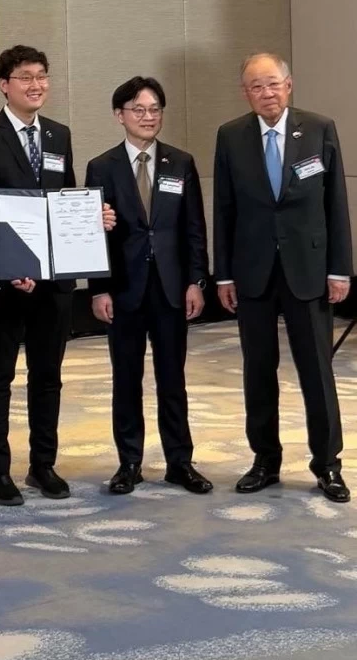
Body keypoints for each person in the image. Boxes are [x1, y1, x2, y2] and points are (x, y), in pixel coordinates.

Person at [0, 46, 116, 506]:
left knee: (48, 376)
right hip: (8, 285)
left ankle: (42, 465)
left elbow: (62, 203)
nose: (36, 85)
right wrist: (6, 272)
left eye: (42, 76)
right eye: (25, 77)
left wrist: (92, 219)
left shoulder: (58, 135)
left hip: (54, 283)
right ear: (4, 84)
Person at [214, 52, 353, 502]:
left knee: (316, 369)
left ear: (288, 86)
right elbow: (225, 209)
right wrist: (223, 276)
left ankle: (327, 464)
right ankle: (264, 461)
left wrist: (340, 269)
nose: (266, 93)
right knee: (258, 370)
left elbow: (335, 205)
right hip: (252, 273)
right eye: (256, 86)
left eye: (272, 84)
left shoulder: (318, 128)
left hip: (309, 271)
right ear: (245, 93)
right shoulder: (231, 136)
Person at [85, 78, 213, 496]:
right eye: (138, 109)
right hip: (123, 289)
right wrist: (98, 289)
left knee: (172, 377)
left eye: (155, 108)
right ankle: (130, 463)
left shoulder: (181, 161)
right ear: (119, 115)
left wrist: (196, 280)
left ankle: (180, 461)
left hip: (172, 288)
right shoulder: (101, 167)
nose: (148, 117)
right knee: (126, 377)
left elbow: (195, 227)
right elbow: (94, 235)